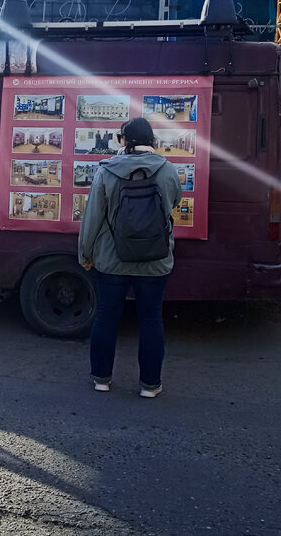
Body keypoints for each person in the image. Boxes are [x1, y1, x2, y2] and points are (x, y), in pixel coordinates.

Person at [77, 117, 183, 398]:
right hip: (155, 259)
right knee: (150, 319)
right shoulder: (168, 169)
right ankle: (150, 385)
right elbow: (174, 202)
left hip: (112, 259)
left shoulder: (106, 171)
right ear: (152, 140)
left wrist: (85, 253)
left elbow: (93, 218)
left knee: (106, 316)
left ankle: (101, 378)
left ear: (124, 140)